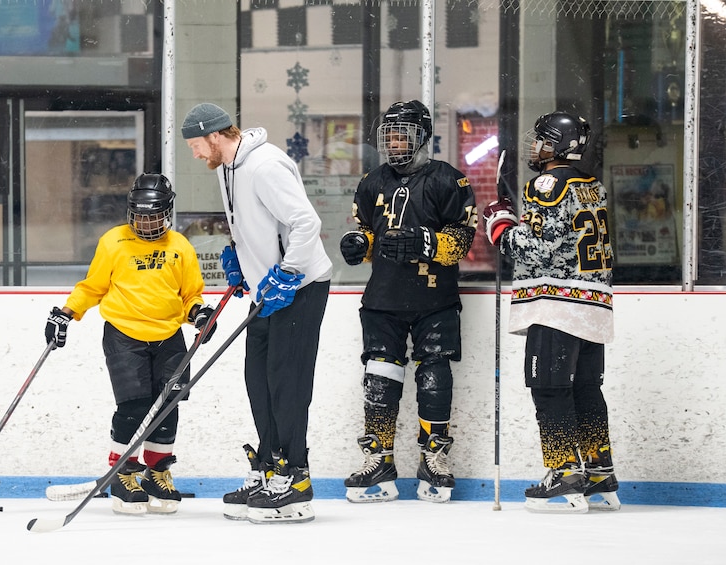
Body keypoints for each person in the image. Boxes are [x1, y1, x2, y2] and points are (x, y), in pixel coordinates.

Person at [181, 102, 332, 524]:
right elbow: (252, 222)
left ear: (214, 136)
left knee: (287, 382)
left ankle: (296, 479)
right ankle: (271, 466)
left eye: (195, 145)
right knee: (258, 378)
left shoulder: (265, 166)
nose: (194, 154)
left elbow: (305, 223)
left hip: (299, 288)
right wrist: (238, 254)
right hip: (266, 292)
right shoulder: (227, 168)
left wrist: (287, 272)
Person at [43, 173, 217, 515]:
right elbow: (91, 287)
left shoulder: (180, 247)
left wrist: (199, 315)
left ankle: (157, 473)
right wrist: (65, 314)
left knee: (169, 404)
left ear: (167, 212)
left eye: (153, 215)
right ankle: (123, 475)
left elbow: (189, 296)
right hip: (124, 336)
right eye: (139, 214)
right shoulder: (113, 243)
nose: (145, 222)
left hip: (169, 337)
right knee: (134, 407)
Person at [338, 100, 478, 504]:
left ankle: (433, 456)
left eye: (403, 135)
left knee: (434, 376)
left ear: (422, 137)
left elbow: (463, 241)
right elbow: (366, 231)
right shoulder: (371, 182)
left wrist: (428, 242)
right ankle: (379, 459)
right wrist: (358, 245)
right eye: (390, 135)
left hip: (435, 299)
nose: (395, 142)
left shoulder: (449, 181)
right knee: (380, 378)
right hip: (383, 299)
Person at [481, 110, 620, 513]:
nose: (534, 146)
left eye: (541, 139)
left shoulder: (545, 183)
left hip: (556, 304)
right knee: (586, 389)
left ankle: (563, 475)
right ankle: (599, 473)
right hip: (593, 303)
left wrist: (501, 228)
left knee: (549, 388)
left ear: (557, 145)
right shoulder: (592, 184)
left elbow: (538, 248)